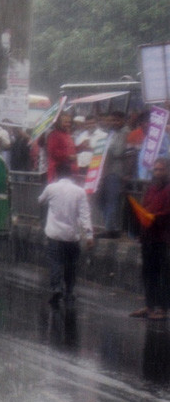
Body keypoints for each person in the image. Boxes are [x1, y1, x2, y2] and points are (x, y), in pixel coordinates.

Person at [38, 160, 95, 309]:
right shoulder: (80, 192)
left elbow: (40, 201)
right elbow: (85, 215)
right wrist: (89, 236)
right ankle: (69, 291)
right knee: (71, 265)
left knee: (55, 262)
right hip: (72, 236)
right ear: (71, 175)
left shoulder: (51, 188)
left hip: (54, 235)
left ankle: (56, 288)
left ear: (56, 174)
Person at [130, 158, 170, 320]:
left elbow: (167, 213)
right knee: (148, 273)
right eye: (156, 169)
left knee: (163, 274)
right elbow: (144, 207)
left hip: (163, 238)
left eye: (161, 169)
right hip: (148, 237)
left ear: (167, 171)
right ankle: (150, 306)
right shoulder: (151, 189)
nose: (157, 173)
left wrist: (153, 217)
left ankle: (163, 309)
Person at [99, 111, 131, 238]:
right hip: (106, 171)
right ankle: (109, 226)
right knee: (102, 200)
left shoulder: (125, 133)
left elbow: (118, 152)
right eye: (112, 120)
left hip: (117, 171)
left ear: (123, 120)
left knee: (112, 201)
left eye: (117, 120)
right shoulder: (111, 133)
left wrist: (105, 149)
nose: (114, 123)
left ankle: (111, 229)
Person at [46, 112, 77, 182]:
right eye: (65, 122)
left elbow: (70, 149)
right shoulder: (54, 135)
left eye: (69, 122)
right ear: (59, 122)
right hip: (58, 171)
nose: (68, 124)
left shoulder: (67, 134)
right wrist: (68, 157)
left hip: (69, 170)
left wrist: (81, 147)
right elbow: (53, 152)